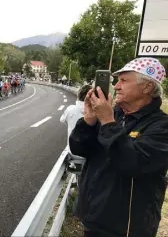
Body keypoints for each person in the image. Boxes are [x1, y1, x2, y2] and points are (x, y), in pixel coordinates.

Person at [69, 57, 168, 237]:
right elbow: (79, 149)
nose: (116, 86)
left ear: (147, 87)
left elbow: (133, 163)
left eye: (124, 80)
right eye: (116, 80)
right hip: (93, 218)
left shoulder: (161, 126)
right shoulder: (113, 114)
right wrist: (89, 121)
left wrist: (107, 122)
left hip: (126, 228)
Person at [60, 84, 92, 173]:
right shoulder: (97, 112)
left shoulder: (70, 109)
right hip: (90, 157)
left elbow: (63, 120)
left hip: (73, 153)